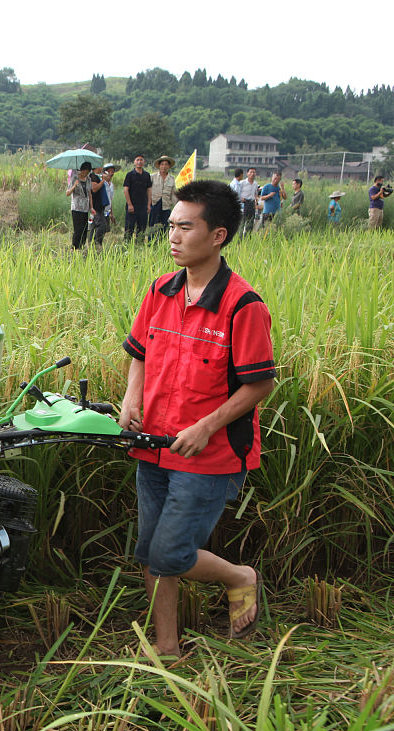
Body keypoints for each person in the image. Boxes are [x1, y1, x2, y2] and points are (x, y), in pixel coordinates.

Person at [120, 179, 275, 657]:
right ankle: (167, 646)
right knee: (149, 554)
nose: (173, 236)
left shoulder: (242, 305)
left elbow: (260, 383)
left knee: (171, 555)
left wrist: (206, 426)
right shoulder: (161, 291)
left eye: (186, 227)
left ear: (218, 235)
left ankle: (238, 576)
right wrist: (131, 395)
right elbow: (140, 352)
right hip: (155, 443)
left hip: (210, 454)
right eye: (171, 226)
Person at [124, 154, 152, 241]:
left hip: (143, 205)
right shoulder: (129, 175)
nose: (139, 162)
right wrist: (129, 204)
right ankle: (127, 245)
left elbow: (149, 190)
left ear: (144, 162)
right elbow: (125, 190)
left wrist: (148, 204)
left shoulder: (147, 175)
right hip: (132, 205)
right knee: (129, 227)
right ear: (134, 162)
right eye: (137, 160)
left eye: (141, 160)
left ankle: (139, 245)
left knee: (142, 228)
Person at [66, 161, 94, 249]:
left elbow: (89, 193)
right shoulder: (75, 178)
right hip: (76, 207)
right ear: (81, 170)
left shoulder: (88, 179)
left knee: (85, 229)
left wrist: (91, 207)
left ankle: (81, 246)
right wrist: (74, 186)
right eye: (84, 171)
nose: (85, 174)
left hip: (85, 207)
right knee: (78, 229)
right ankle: (74, 247)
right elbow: (67, 193)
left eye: (87, 172)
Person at [149, 156, 178, 235]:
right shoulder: (152, 177)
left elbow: (173, 194)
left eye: (166, 164)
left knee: (165, 227)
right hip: (154, 204)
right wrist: (148, 204)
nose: (164, 167)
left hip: (166, 206)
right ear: (159, 166)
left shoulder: (171, 179)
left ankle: (161, 243)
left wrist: (176, 207)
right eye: (162, 164)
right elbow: (148, 191)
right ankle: (150, 244)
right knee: (153, 227)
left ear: (169, 166)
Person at [89, 164, 110, 247]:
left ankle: (91, 243)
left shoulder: (98, 176)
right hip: (96, 205)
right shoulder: (93, 176)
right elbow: (94, 188)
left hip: (100, 205)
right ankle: (97, 243)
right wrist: (103, 180)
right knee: (101, 225)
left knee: (94, 225)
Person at [237, 168, 261, 235]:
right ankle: (239, 240)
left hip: (251, 203)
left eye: (254, 172)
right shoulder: (242, 183)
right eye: (251, 172)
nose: (252, 174)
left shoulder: (255, 184)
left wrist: (256, 202)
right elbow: (237, 192)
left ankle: (247, 239)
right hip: (244, 203)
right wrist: (240, 198)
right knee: (242, 223)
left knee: (250, 223)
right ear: (247, 173)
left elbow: (255, 194)